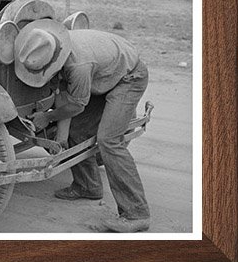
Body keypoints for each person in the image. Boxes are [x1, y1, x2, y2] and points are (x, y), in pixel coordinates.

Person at [15, 23, 151, 233]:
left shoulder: (78, 66)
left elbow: (77, 104)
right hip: (108, 71)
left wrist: (47, 116)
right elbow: (65, 97)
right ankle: (88, 186)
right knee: (77, 130)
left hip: (129, 78)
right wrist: (62, 136)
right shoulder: (55, 44)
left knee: (109, 141)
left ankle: (136, 214)